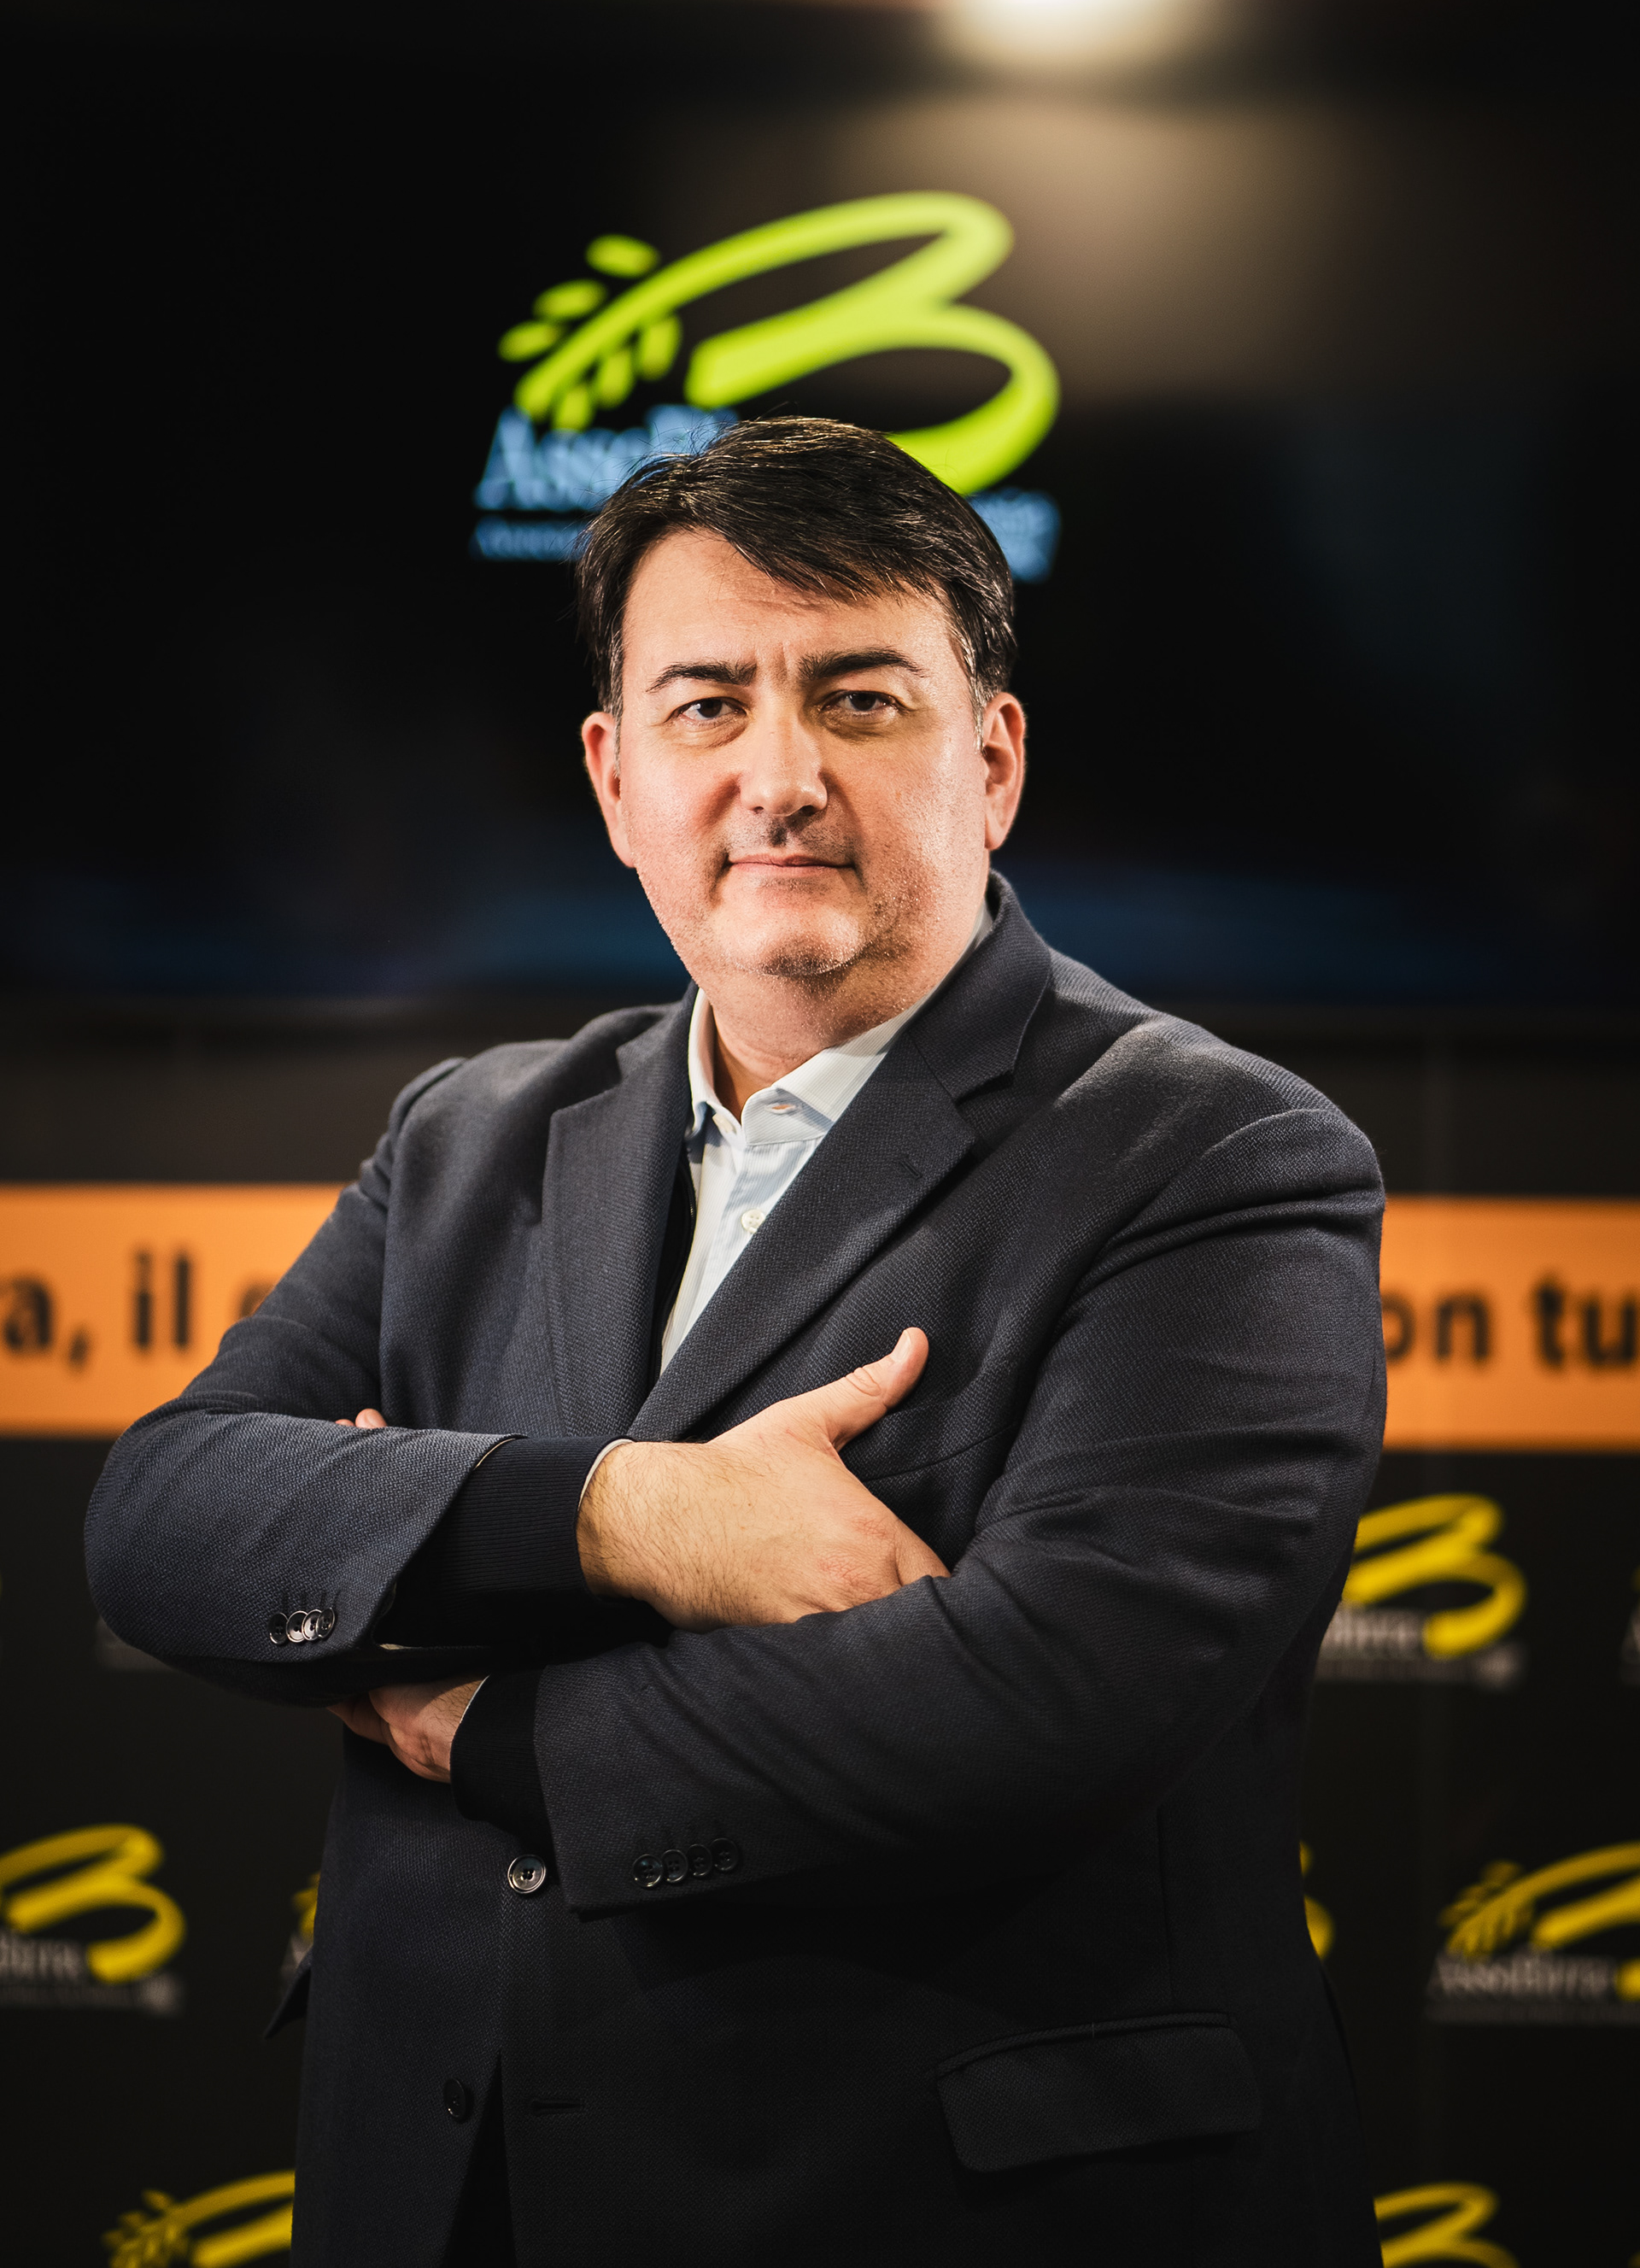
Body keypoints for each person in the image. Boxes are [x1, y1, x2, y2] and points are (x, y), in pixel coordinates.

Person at [85, 417, 1385, 2268]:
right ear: (617, 778)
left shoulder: (1220, 1154)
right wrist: (638, 1519)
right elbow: (164, 1517)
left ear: (991, 761)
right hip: (449, 2193)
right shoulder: (470, 1133)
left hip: (946, 2211)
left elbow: (1051, 1691)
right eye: (708, 705)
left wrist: (487, 1718)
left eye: (859, 700)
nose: (779, 775)